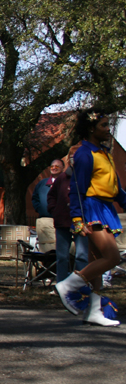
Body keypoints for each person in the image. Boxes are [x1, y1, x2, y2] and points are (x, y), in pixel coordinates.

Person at [55, 108, 125, 327]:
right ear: (91, 128)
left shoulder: (104, 153)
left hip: (105, 207)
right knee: (112, 258)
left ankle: (94, 311)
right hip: (92, 209)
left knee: (97, 261)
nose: (108, 129)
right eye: (103, 125)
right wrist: (77, 218)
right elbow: (76, 188)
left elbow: (116, 189)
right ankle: (67, 285)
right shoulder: (85, 154)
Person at [47, 159, 89, 283]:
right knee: (62, 257)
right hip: (62, 221)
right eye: (71, 157)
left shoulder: (87, 177)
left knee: (81, 256)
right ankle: (61, 284)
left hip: (81, 222)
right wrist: (55, 210)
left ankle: (80, 284)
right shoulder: (62, 178)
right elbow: (51, 196)